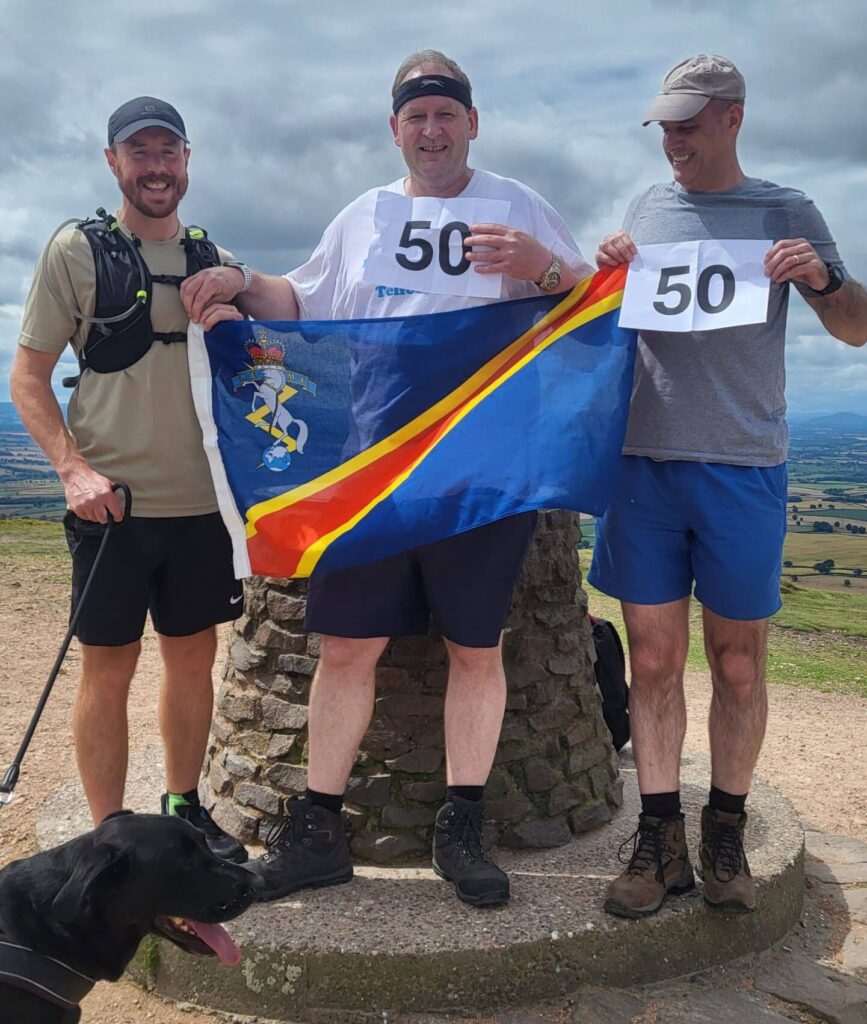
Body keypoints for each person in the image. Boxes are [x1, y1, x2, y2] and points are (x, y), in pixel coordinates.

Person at [181, 49, 594, 906]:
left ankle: (463, 825)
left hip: (481, 472)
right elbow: (299, 298)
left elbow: (588, 307)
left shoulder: (521, 205)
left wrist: (541, 267)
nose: (432, 130)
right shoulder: (363, 214)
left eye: (446, 114)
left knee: (474, 649)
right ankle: (320, 830)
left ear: (471, 123)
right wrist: (235, 279)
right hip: (373, 471)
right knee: (348, 646)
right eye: (416, 117)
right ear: (395, 129)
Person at [591, 55, 867, 918]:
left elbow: (856, 330)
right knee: (655, 660)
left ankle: (725, 830)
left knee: (739, 663)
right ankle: (658, 837)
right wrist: (606, 264)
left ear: (732, 118)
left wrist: (820, 279)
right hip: (643, 465)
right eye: (664, 125)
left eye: (688, 122)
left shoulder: (786, 209)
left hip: (742, 466)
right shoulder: (646, 206)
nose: (673, 139)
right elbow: (610, 308)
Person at [10, 97, 251, 863]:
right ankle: (110, 834)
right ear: (114, 162)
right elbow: (28, 376)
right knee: (107, 666)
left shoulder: (212, 260)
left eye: (167, 151)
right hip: (110, 508)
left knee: (191, 658)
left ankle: (183, 806)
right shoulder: (75, 252)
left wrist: (241, 276)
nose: (155, 166)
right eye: (138, 152)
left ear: (187, 160)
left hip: (200, 505)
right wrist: (73, 471)